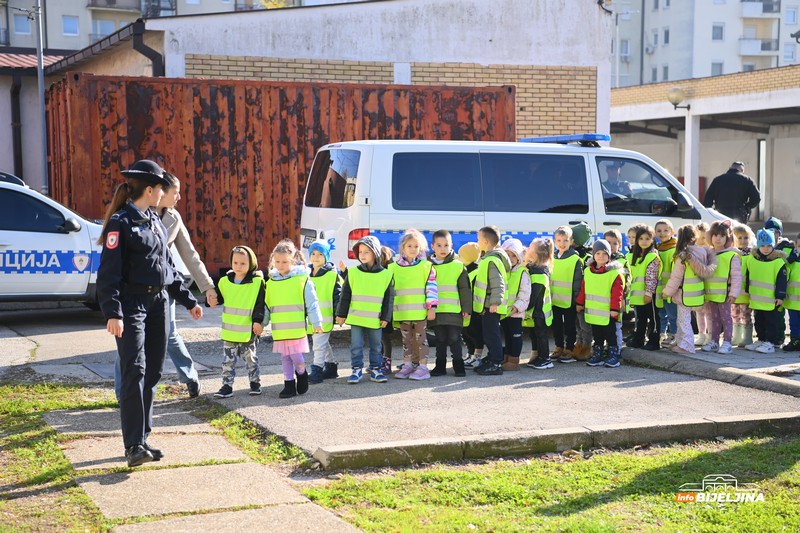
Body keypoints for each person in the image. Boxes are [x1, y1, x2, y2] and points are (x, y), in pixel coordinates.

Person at [96, 159, 202, 468]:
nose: (164, 194)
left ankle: (143, 438)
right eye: (161, 189)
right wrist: (112, 313)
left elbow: (167, 268)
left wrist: (188, 300)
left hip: (158, 305)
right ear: (151, 189)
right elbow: (109, 273)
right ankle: (132, 446)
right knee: (135, 371)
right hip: (131, 307)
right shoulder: (121, 222)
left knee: (153, 371)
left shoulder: (155, 220)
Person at [261, 240, 323, 398]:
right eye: (277, 261)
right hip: (280, 329)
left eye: (284, 261)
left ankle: (302, 374)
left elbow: (312, 303)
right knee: (285, 357)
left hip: (296, 328)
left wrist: (316, 322)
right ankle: (288, 384)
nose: (280, 265)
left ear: (293, 260)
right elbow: (267, 306)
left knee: (296, 356)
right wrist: (262, 324)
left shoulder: (302, 280)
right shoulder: (271, 283)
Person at [336, 236, 394, 384]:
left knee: (376, 346)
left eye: (366, 251)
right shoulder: (353, 272)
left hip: (376, 319)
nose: (362, 254)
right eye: (360, 251)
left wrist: (386, 317)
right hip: (356, 318)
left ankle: (376, 370)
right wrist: (341, 314)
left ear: (375, 253)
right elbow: (345, 295)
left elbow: (389, 299)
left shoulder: (386, 275)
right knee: (356, 346)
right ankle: (356, 370)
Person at [211, 245, 266, 399]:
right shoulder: (224, 281)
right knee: (227, 361)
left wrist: (258, 322)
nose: (238, 266)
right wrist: (212, 300)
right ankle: (226, 386)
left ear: (251, 264)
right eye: (235, 263)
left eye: (243, 263)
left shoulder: (257, 283)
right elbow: (219, 299)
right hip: (229, 331)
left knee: (251, 359)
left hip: (248, 330)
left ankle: (255, 383)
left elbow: (260, 304)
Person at [661, 224, 718, 354]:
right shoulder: (702, 252)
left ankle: (686, 346)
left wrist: (667, 292)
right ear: (695, 236)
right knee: (685, 319)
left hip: (684, 294)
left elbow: (676, 277)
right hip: (698, 292)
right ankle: (681, 343)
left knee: (683, 320)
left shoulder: (682, 256)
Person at [390, 229, 437, 380]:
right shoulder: (393, 268)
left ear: (421, 249)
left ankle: (423, 367)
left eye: (416, 246)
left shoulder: (426, 266)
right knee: (406, 340)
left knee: (421, 340)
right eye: (409, 246)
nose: (412, 249)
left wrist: (432, 308)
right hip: (402, 312)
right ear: (403, 248)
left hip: (420, 312)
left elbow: (431, 288)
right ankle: (408, 364)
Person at [428, 230, 471, 377]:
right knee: (439, 339)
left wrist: (466, 308)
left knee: (454, 338)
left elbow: (464, 289)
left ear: (451, 245)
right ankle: (440, 366)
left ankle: (458, 365)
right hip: (436, 310)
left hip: (454, 310)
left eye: (446, 245)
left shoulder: (458, 266)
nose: (443, 249)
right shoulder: (427, 266)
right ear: (432, 246)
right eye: (439, 245)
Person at [577, 239, 625, 368]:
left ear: (609, 255)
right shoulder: (588, 271)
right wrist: (579, 303)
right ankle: (597, 354)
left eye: (604, 253)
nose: (601, 256)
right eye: (598, 253)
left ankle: (613, 355)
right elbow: (584, 289)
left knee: (611, 335)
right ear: (593, 255)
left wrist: (615, 309)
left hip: (609, 313)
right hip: (594, 312)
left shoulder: (614, 273)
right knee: (597, 335)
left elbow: (617, 294)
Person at [473, 225, 511, 376]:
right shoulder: (490, 258)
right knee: (489, 333)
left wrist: (495, 302)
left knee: (491, 334)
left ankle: (496, 362)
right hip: (488, 304)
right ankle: (493, 358)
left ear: (486, 242)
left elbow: (497, 283)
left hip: (492, 305)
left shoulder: (492, 260)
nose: (477, 242)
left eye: (479, 240)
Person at [744, 229, 788, 354]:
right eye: (763, 245)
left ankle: (770, 342)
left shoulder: (778, 262)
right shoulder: (752, 259)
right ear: (758, 245)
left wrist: (780, 296)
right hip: (756, 298)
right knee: (759, 321)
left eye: (769, 245)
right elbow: (749, 275)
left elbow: (782, 281)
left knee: (771, 322)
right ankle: (761, 339)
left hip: (771, 300)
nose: (766, 248)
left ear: (773, 245)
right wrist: (748, 289)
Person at [702, 221, 742, 355]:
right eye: (715, 235)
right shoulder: (708, 254)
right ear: (710, 237)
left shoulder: (732, 256)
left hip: (725, 294)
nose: (718, 238)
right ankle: (714, 341)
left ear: (728, 238)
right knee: (713, 318)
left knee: (726, 318)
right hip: (711, 293)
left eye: (722, 236)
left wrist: (734, 293)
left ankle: (727, 342)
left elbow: (736, 276)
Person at [306, 240, 342, 384]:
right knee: (322, 343)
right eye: (313, 254)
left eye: (320, 254)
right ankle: (331, 367)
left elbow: (338, 296)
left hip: (324, 317)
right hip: (311, 317)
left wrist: (339, 314)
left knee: (318, 345)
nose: (316, 257)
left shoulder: (332, 276)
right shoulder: (306, 275)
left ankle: (317, 370)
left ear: (326, 256)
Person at [549, 226, 583, 363]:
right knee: (556, 325)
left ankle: (569, 348)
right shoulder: (552, 258)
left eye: (565, 240)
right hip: (554, 299)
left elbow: (578, 281)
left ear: (571, 241)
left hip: (569, 301)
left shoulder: (576, 259)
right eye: (559, 240)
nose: (562, 243)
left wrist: (576, 300)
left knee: (569, 326)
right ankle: (558, 347)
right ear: (555, 241)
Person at [626, 225, 662, 351]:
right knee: (640, 318)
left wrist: (648, 293)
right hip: (637, 295)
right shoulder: (633, 256)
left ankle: (654, 341)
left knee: (653, 318)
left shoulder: (652, 256)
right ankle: (638, 339)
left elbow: (652, 276)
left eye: (647, 238)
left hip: (649, 295)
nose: (644, 241)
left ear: (652, 240)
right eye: (641, 238)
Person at [499, 238, 531, 371]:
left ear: (519, 257)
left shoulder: (522, 272)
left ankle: (514, 361)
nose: (511, 258)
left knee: (516, 336)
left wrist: (517, 307)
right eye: (507, 255)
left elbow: (525, 293)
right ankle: (507, 357)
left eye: (514, 255)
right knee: (507, 335)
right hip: (505, 311)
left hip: (516, 312)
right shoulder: (503, 271)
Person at [524, 237, 555, 369]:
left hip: (540, 311)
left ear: (536, 254)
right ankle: (539, 357)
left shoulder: (539, 274)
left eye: (530, 246)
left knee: (541, 335)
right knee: (535, 334)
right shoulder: (535, 268)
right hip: (536, 311)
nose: (527, 248)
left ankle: (545, 359)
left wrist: (524, 308)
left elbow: (534, 297)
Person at [570, 222, 594, 361]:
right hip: (572, 296)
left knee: (584, 325)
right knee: (577, 325)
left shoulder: (586, 257)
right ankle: (578, 345)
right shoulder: (570, 254)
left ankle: (587, 347)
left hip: (582, 297)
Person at [604, 229, 630, 353]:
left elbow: (627, 282)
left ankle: (617, 349)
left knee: (616, 326)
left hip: (617, 300)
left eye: (615, 243)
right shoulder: (601, 259)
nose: (611, 246)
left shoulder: (622, 261)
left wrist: (623, 299)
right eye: (608, 243)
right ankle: (607, 347)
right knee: (604, 325)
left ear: (620, 245)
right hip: (603, 299)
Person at [458, 242, 483, 368]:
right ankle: (470, 353)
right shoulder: (464, 269)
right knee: (465, 332)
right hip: (465, 307)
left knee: (474, 332)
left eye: (461, 256)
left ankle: (477, 356)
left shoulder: (477, 271)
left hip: (474, 309)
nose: (459, 258)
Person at [654, 219, 678, 347]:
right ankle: (661, 334)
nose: (662, 233)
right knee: (661, 313)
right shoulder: (657, 249)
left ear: (672, 232)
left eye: (665, 230)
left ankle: (674, 334)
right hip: (659, 288)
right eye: (659, 231)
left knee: (672, 314)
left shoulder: (674, 250)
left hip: (670, 288)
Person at [731, 224, 756, 348]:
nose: (742, 241)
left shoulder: (752, 254)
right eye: (739, 238)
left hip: (746, 291)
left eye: (745, 238)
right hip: (734, 292)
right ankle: (736, 336)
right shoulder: (732, 253)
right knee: (735, 314)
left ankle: (747, 337)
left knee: (746, 314)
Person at [378, 246, 396, 375]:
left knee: (384, 337)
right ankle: (380, 361)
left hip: (386, 310)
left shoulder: (388, 271)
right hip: (378, 309)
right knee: (379, 337)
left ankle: (386, 362)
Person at [694, 222, 712, 346]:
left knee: (709, 312)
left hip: (709, 286)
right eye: (698, 237)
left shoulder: (710, 251)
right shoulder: (693, 250)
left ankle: (710, 335)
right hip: (697, 286)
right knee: (699, 311)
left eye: (704, 238)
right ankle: (701, 334)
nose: (701, 240)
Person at [783, 234, 800, 352]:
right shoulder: (791, 260)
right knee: (794, 323)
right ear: (796, 246)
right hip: (793, 300)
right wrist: (788, 261)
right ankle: (795, 341)